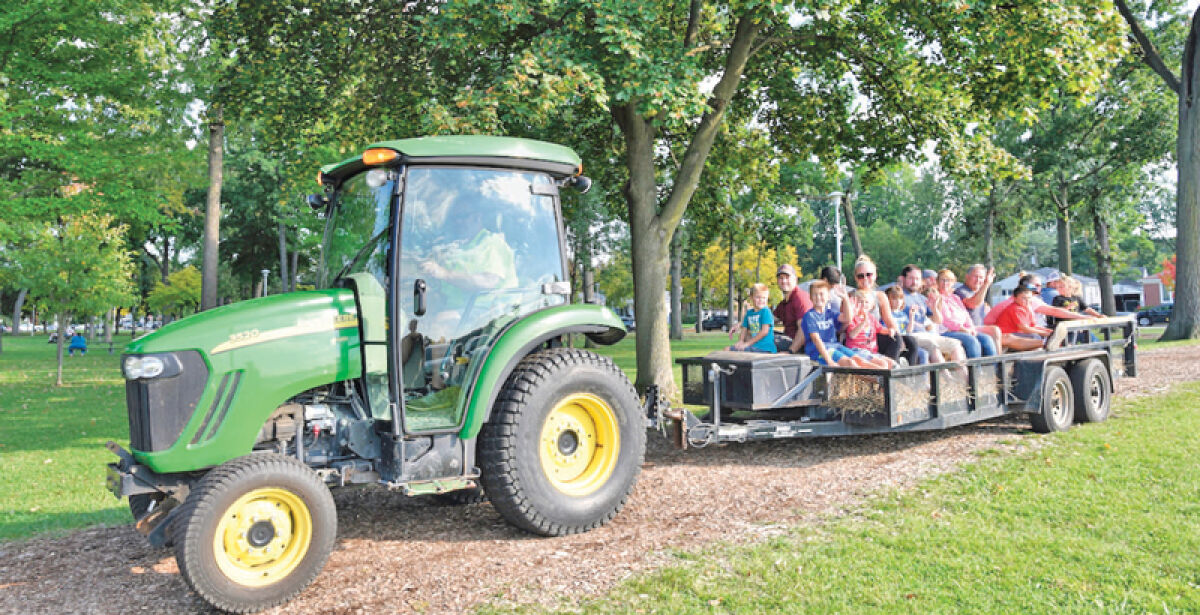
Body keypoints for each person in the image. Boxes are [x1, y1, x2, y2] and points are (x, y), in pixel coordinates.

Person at [843, 255, 915, 366]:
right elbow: (846, 324)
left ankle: (910, 377)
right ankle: (887, 374)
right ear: (856, 278)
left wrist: (896, 333)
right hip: (858, 339)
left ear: (875, 275)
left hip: (875, 334)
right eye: (861, 276)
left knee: (910, 341)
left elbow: (889, 321)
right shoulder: (851, 297)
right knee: (895, 341)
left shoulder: (880, 296)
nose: (865, 279)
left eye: (869, 274)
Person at [802, 281, 890, 368]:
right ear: (810, 297)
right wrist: (830, 361)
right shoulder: (810, 316)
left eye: (821, 294)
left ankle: (882, 377)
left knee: (859, 360)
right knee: (850, 363)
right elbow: (816, 340)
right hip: (819, 351)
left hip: (835, 346)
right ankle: (878, 380)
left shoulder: (830, 313)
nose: (818, 297)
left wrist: (845, 298)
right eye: (815, 294)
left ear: (828, 296)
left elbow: (847, 318)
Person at [929, 269, 998, 358]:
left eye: (949, 280)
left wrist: (971, 328)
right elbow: (947, 321)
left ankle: (995, 368)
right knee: (971, 340)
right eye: (943, 280)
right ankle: (975, 370)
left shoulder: (955, 298)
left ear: (953, 282)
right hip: (946, 331)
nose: (946, 283)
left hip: (962, 330)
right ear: (937, 281)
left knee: (986, 339)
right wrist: (964, 330)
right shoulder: (937, 298)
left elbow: (966, 315)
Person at [985, 273, 1085, 329]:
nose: (1039, 288)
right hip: (1011, 332)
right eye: (1036, 285)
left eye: (1040, 285)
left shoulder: (1017, 297)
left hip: (1009, 330)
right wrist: (1083, 317)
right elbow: (1054, 311)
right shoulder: (1028, 299)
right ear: (1025, 286)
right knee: (1060, 329)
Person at [994, 285, 1051, 351]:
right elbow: (1025, 329)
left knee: (1039, 335)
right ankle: (1045, 345)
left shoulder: (1026, 308)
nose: (1027, 301)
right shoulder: (1016, 309)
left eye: (1029, 298)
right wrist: (1045, 333)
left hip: (1016, 334)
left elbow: (1032, 326)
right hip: (1006, 335)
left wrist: (1047, 331)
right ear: (1015, 298)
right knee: (1034, 336)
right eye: (1024, 298)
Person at [773, 263, 813, 353]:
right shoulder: (784, 303)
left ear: (795, 279)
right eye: (781, 278)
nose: (783, 281)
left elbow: (804, 329)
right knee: (757, 333)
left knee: (764, 340)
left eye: (787, 277)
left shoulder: (800, 298)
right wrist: (742, 324)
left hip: (800, 346)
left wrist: (790, 352)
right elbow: (767, 319)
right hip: (788, 340)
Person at [729, 283, 776, 353]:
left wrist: (747, 344)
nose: (761, 300)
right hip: (753, 347)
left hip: (765, 348)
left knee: (738, 354)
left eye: (764, 298)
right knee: (727, 350)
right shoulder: (749, 313)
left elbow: (764, 331)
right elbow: (744, 329)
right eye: (758, 297)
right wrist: (740, 341)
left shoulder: (766, 311)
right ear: (751, 297)